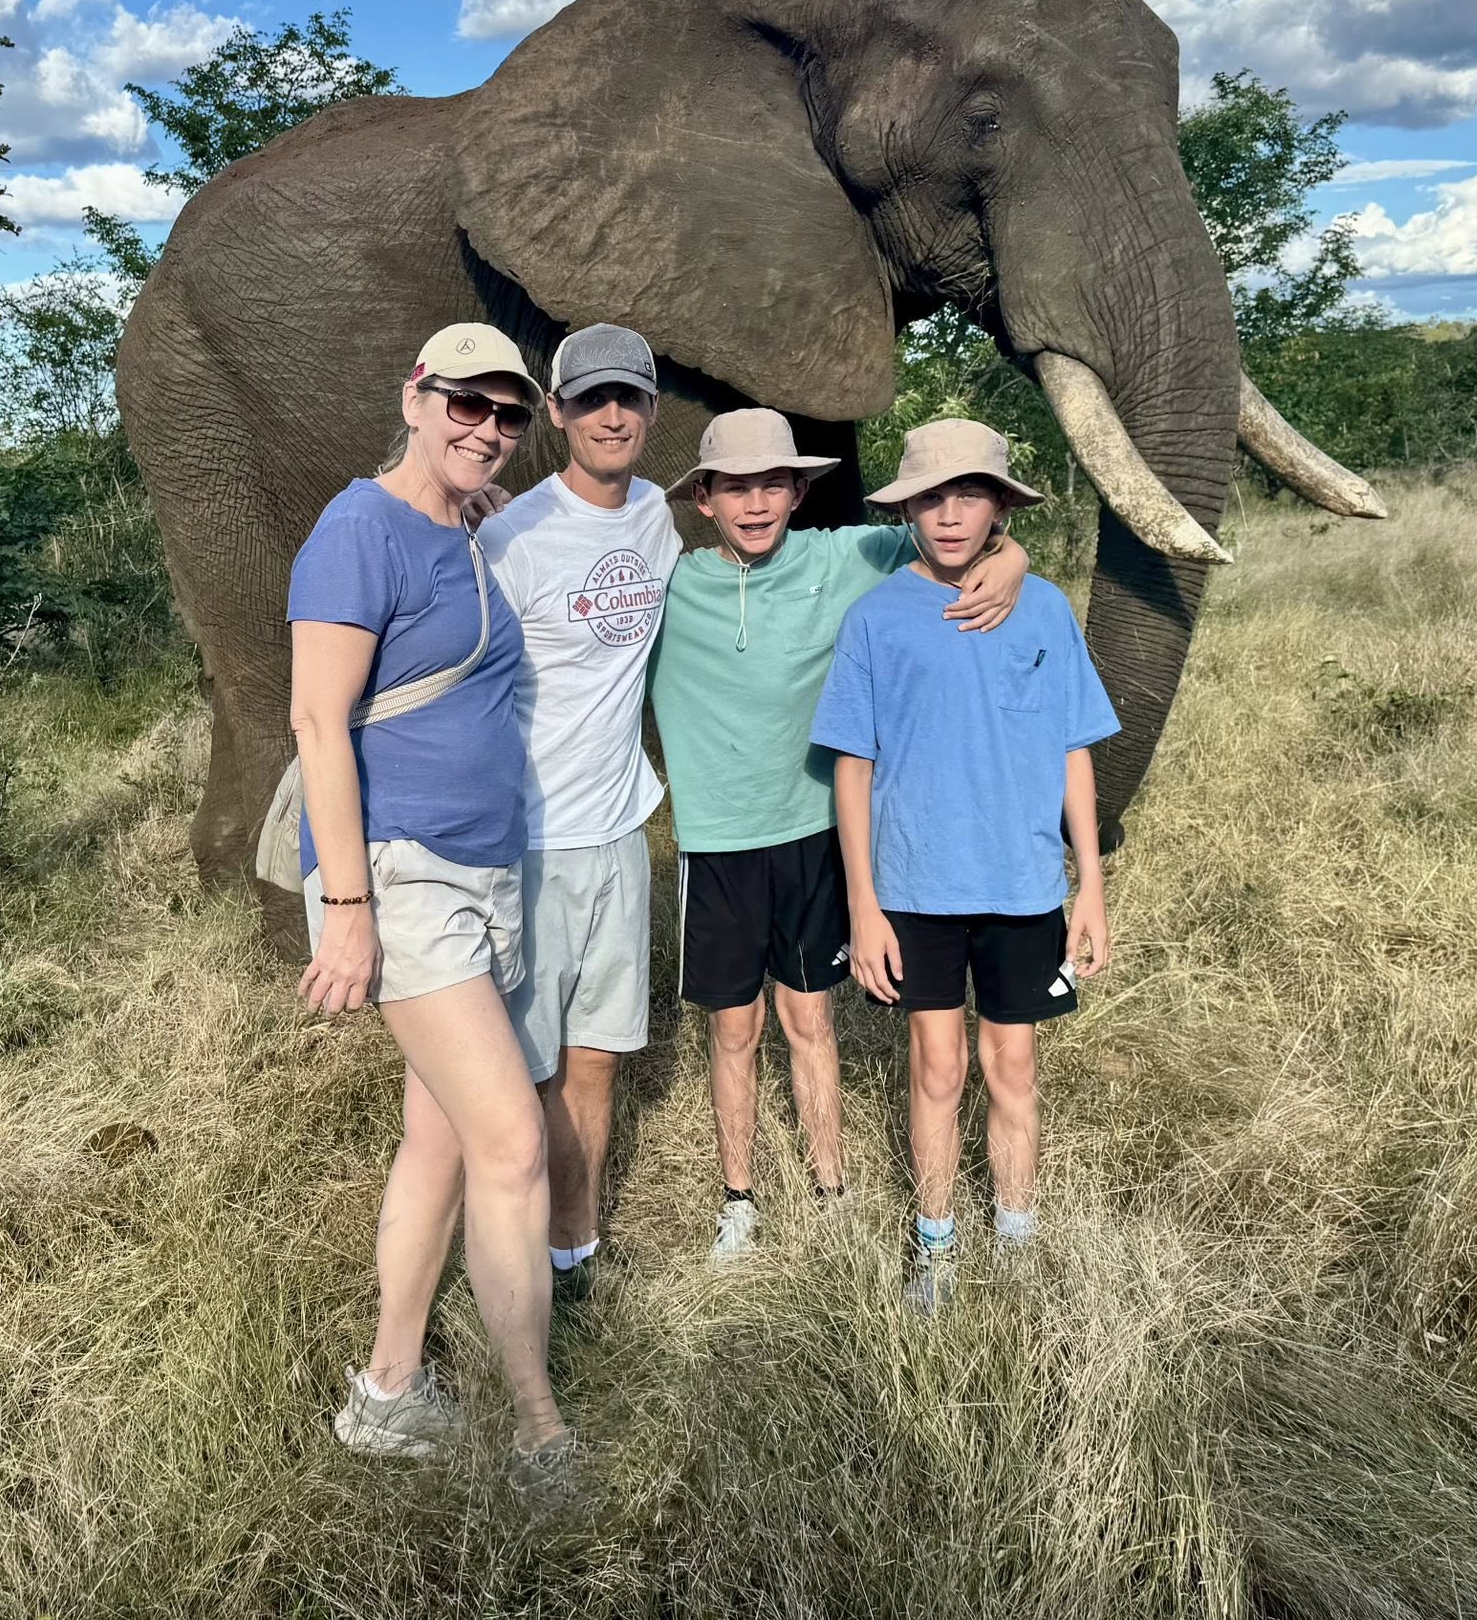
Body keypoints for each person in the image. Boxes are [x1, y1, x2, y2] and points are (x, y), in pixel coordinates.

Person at [288, 322, 572, 1483]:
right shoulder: (360, 526)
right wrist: (348, 901)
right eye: (464, 402)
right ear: (414, 395)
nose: (486, 430)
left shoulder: (462, 531)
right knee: (513, 1142)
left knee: (442, 1140)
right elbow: (317, 720)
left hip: (479, 867)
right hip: (403, 873)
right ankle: (539, 1425)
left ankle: (388, 1389)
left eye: (507, 415)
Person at [648, 409, 1029, 1260]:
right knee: (733, 1031)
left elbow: (958, 539)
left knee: (809, 1019)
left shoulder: (844, 555)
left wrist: (1013, 559)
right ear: (702, 499)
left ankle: (830, 1188)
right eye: (735, 486)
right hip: (716, 841)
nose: (756, 504)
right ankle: (738, 1200)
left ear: (800, 491)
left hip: (815, 831)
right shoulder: (669, 585)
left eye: (773, 484)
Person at [810, 417, 1121, 1311]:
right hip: (916, 886)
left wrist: (1088, 883)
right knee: (935, 1068)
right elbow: (853, 768)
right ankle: (935, 1248)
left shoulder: (1049, 608)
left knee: (1012, 1068)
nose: (951, 515)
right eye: (932, 497)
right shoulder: (874, 619)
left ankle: (1018, 1243)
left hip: (1025, 884)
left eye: (971, 494)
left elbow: (1073, 749)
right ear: (906, 506)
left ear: (1000, 507)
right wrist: (863, 908)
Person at [476, 324, 682, 1300]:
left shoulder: (662, 519)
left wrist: (1008, 558)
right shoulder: (508, 536)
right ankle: (507, 1259)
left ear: (651, 411)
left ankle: (574, 1251)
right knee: (520, 1079)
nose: (612, 414)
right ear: (555, 412)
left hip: (619, 837)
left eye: (629, 397)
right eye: (591, 397)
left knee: (594, 1066)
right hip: (528, 846)